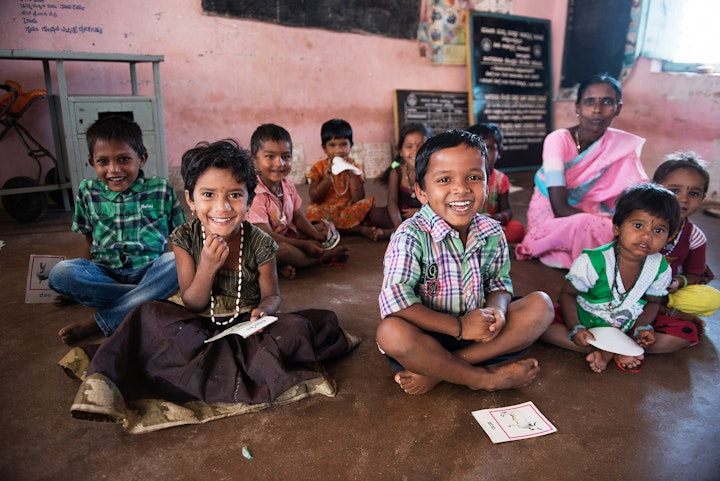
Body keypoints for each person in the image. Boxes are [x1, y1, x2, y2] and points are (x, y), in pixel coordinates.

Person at [62, 139, 359, 432]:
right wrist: (207, 267)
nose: (221, 207)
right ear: (190, 199)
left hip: (246, 328)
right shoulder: (184, 239)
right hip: (195, 323)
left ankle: (217, 370)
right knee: (147, 314)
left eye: (234, 195)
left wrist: (263, 310)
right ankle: (109, 382)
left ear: (249, 200)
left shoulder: (261, 243)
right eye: (208, 194)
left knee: (304, 327)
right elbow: (192, 303)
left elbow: (272, 295)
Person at [376, 129, 554, 395]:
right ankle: (484, 378)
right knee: (390, 333)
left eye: (473, 177)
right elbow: (396, 301)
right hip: (429, 335)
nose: (461, 188)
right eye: (444, 179)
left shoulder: (492, 231)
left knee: (542, 306)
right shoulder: (410, 235)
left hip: (482, 333)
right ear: (421, 192)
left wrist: (498, 312)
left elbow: (498, 281)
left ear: (487, 182)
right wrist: (459, 327)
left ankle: (445, 371)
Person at [48, 116, 186, 344]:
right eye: (103, 162)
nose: (114, 170)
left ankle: (99, 321)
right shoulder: (87, 191)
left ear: (141, 158)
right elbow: (89, 239)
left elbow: (180, 238)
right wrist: (83, 281)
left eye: (123, 159)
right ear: (92, 162)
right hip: (106, 271)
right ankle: (151, 297)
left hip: (149, 270)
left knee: (178, 262)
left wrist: (87, 295)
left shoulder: (160, 189)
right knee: (60, 272)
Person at [541, 184, 680, 372]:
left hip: (628, 324)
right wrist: (575, 328)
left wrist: (642, 329)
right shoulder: (593, 261)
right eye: (638, 226)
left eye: (658, 231)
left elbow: (653, 303)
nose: (646, 236)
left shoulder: (660, 268)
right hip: (587, 319)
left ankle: (614, 348)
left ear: (669, 236)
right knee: (541, 324)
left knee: (683, 335)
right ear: (617, 227)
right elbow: (567, 295)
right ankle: (613, 349)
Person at [515, 73, 649, 268]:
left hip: (593, 211)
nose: (597, 109)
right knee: (611, 232)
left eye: (607, 102)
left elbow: (636, 197)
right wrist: (605, 226)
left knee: (632, 229)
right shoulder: (558, 140)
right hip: (552, 216)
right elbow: (559, 208)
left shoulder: (620, 146)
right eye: (589, 102)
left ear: (618, 108)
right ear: (577, 108)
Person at [245, 124, 350, 279]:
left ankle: (285, 265)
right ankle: (322, 258)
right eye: (270, 156)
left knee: (324, 227)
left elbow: (297, 215)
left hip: (287, 235)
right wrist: (304, 245)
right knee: (283, 251)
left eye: (286, 156)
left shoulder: (286, 183)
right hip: (262, 247)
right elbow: (266, 236)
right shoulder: (255, 193)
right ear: (254, 161)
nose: (279, 163)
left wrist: (314, 234)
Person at [652, 152, 720, 351]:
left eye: (693, 194)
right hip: (628, 284)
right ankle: (667, 312)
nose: (683, 199)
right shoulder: (639, 224)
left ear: (703, 198)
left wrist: (678, 282)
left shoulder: (695, 237)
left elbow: (694, 274)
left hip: (667, 291)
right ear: (654, 189)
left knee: (712, 299)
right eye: (674, 190)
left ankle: (660, 307)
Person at [305, 118, 382, 239]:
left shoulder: (354, 167)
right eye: (332, 145)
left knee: (367, 206)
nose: (338, 150)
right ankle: (357, 229)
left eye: (343, 144)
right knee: (313, 211)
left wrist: (352, 174)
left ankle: (335, 228)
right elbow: (314, 197)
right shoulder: (319, 167)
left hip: (347, 209)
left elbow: (358, 198)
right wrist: (326, 179)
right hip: (325, 210)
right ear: (324, 148)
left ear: (351, 145)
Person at [369, 122, 430, 241]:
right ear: (401, 152)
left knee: (443, 216)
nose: (415, 151)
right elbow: (392, 201)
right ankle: (401, 230)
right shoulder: (396, 172)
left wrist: (420, 212)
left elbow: (438, 201)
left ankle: (390, 232)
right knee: (375, 215)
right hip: (403, 215)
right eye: (409, 146)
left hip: (426, 213)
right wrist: (398, 225)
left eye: (420, 145)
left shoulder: (432, 172)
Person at [466, 122, 525, 243]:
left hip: (491, 226)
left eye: (489, 148)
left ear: (500, 152)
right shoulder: (462, 177)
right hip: (465, 225)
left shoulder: (500, 179)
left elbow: (507, 210)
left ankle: (482, 241)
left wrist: (497, 218)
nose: (484, 154)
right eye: (478, 148)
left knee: (517, 229)